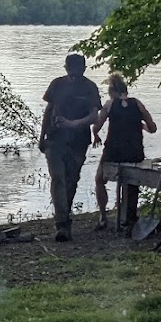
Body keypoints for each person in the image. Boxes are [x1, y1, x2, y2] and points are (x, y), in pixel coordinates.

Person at [39, 52, 103, 242]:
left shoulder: (90, 88)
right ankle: (62, 224)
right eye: (70, 70)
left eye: (78, 71)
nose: (74, 74)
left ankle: (65, 218)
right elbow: (49, 109)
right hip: (54, 140)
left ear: (84, 69)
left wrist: (72, 124)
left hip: (78, 142)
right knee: (57, 178)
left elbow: (94, 117)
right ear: (65, 68)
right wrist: (42, 136)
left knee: (71, 180)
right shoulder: (57, 84)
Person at [91, 74, 157, 230]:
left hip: (114, 152)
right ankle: (129, 215)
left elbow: (97, 126)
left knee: (100, 179)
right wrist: (142, 126)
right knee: (131, 179)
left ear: (111, 91)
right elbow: (153, 128)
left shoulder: (109, 104)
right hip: (134, 152)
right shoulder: (138, 104)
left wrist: (96, 136)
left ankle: (103, 216)